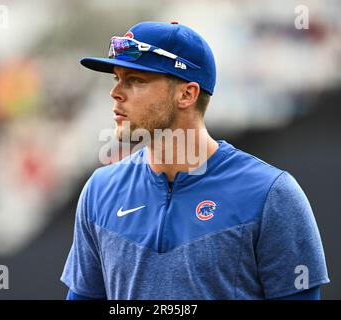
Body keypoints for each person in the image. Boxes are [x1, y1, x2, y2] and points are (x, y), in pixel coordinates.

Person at [61, 21, 329, 300]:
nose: (115, 93)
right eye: (117, 78)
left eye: (135, 80)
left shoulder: (271, 194)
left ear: (187, 94)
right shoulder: (99, 191)